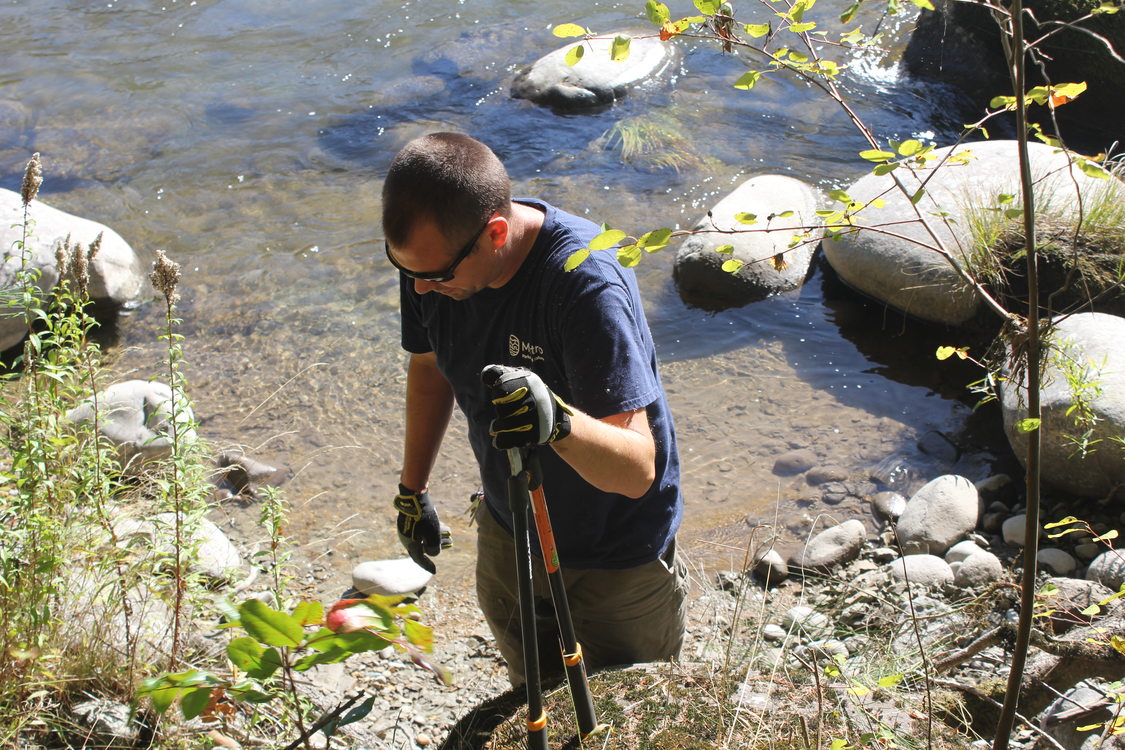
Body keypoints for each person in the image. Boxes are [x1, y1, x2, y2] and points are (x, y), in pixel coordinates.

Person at [382, 132, 685, 686]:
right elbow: (428, 369)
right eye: (407, 272)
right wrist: (412, 488)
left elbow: (638, 470)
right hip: (511, 530)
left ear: (495, 233)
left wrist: (559, 423)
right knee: (535, 697)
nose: (420, 291)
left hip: (614, 557)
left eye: (435, 276)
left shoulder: (585, 285)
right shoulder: (430, 266)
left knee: (631, 709)